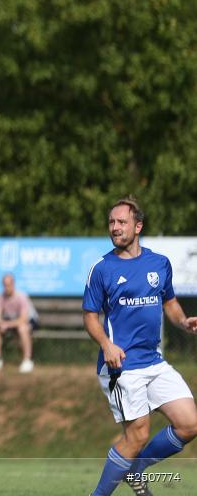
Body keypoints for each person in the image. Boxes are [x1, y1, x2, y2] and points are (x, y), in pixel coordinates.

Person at [84, 197, 197, 496]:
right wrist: (106, 344)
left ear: (138, 226)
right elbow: (90, 317)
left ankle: (135, 470)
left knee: (190, 423)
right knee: (137, 436)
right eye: (111, 222)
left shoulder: (159, 263)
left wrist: (183, 322)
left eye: (121, 222)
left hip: (153, 361)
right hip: (122, 366)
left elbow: (169, 302)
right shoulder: (102, 268)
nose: (115, 227)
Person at [0, 273, 38, 373]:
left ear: (13, 284)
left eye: (9, 284)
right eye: (5, 285)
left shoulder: (21, 297)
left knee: (23, 329)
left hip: (29, 321)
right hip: (10, 321)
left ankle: (27, 360)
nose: (7, 287)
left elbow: (23, 319)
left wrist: (7, 324)